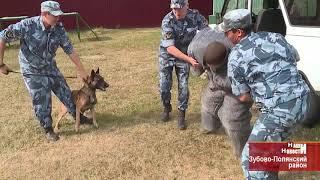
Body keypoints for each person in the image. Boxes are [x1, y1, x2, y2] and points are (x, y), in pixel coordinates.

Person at [222, 9, 310, 179]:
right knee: (270, 146)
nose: (226, 37)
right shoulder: (275, 37)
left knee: (251, 160)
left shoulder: (236, 56)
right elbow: (295, 57)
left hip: (280, 112)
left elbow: (243, 96)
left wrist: (260, 95)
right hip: (305, 102)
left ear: (238, 32)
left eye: (227, 33)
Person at [0, 1, 92, 142]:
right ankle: (48, 129)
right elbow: (2, 37)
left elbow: (69, 49)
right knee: (42, 99)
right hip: (32, 69)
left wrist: (81, 70)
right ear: (44, 14)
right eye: (54, 15)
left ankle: (77, 115)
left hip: (49, 66)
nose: (57, 18)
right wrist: (0, 64)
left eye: (58, 15)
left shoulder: (58, 28)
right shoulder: (27, 25)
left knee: (65, 91)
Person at [187, 28, 252, 157]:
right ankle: (210, 127)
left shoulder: (239, 52)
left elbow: (245, 87)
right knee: (208, 103)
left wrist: (242, 93)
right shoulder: (195, 48)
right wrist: (201, 69)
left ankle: (244, 151)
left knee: (232, 118)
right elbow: (196, 69)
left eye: (217, 65)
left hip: (235, 82)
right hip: (215, 78)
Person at [159, 0, 208, 130]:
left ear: (187, 6)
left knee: (184, 86)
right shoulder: (167, 20)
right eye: (174, 8)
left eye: (180, 8)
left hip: (185, 55)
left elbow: (207, 33)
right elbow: (170, 48)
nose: (176, 12)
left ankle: (181, 114)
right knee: (164, 85)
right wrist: (190, 60)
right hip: (168, 55)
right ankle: (166, 107)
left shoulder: (196, 16)